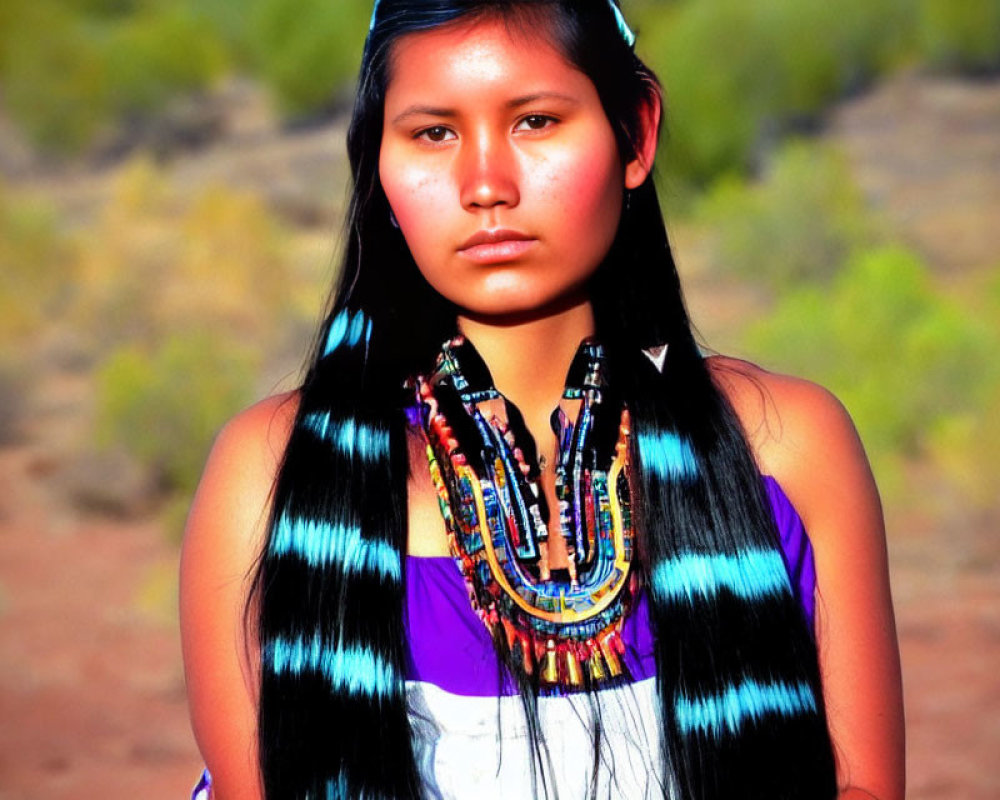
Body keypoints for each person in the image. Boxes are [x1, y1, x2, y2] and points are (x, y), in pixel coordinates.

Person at [179, 1, 905, 798]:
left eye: (534, 122)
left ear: (635, 132)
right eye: (433, 134)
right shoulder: (277, 476)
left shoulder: (784, 445)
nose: (486, 184)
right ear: (377, 164)